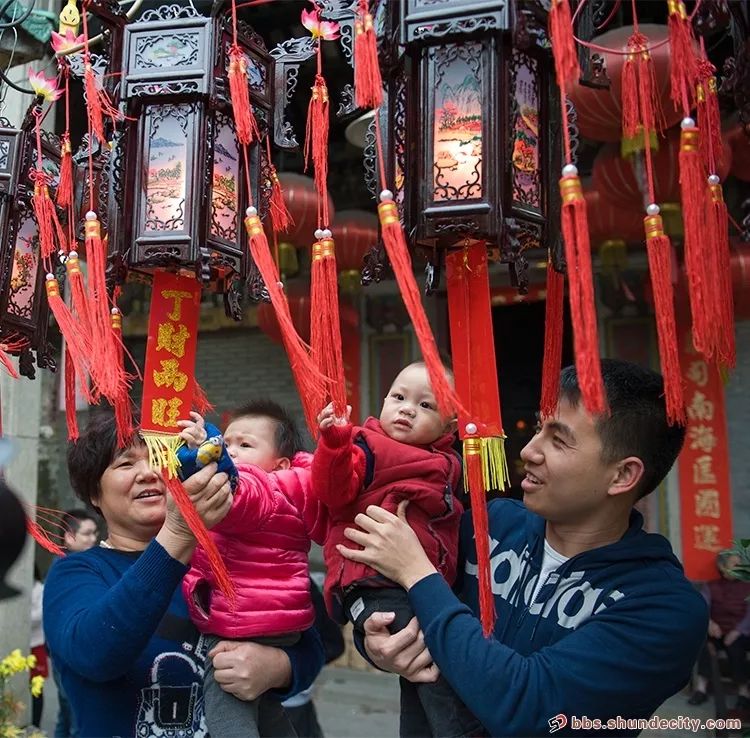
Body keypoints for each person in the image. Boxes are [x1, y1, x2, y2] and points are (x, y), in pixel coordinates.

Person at [341, 359, 709, 737]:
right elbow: (398, 604)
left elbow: (532, 711)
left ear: (622, 475)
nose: (530, 450)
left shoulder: (663, 609)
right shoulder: (489, 524)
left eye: (559, 440)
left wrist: (417, 572)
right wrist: (378, 642)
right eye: (538, 429)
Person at [44, 413, 324, 738]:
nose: (149, 473)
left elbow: (310, 644)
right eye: (125, 464)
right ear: (94, 493)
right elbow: (96, 654)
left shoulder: (237, 552)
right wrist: (178, 533)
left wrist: (277, 667)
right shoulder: (76, 572)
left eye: (161, 457)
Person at [313, 361, 483, 737]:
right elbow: (332, 490)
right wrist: (334, 445)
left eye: (427, 406)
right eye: (399, 397)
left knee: (419, 681)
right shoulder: (366, 446)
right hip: (376, 581)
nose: (407, 408)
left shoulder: (448, 463)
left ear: (449, 428)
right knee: (435, 665)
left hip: (417, 584)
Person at [178, 400, 328, 738]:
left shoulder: (262, 489)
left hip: (243, 618)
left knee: (224, 704)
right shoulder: (296, 490)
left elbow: (237, 496)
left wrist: (207, 447)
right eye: (228, 442)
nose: (231, 451)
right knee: (264, 709)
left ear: (280, 465)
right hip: (276, 619)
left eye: (244, 445)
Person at [51, 509, 99, 738]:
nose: (93, 539)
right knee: (76, 723)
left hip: (63, 659)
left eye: (94, 533)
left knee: (66, 717)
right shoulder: (66, 571)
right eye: (87, 534)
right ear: (69, 537)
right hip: (68, 661)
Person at [282, 576, 345, 738]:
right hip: (294, 702)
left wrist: (290, 668)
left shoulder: (299, 581)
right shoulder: (300, 579)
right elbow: (333, 644)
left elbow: (333, 644)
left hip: (293, 706)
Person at [688, 550, 750, 710]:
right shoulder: (711, 586)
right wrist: (710, 623)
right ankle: (701, 689)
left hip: (740, 632)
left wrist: (737, 631)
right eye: (735, 564)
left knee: (737, 648)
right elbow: (702, 608)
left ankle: (743, 692)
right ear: (722, 567)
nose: (740, 567)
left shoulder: (747, 586)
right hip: (717, 631)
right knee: (704, 645)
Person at [30, 566, 48, 728]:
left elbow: (37, 616)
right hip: (20, 646)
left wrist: (21, 614)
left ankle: (36, 725)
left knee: (36, 690)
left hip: (36, 646)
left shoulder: (39, 589)